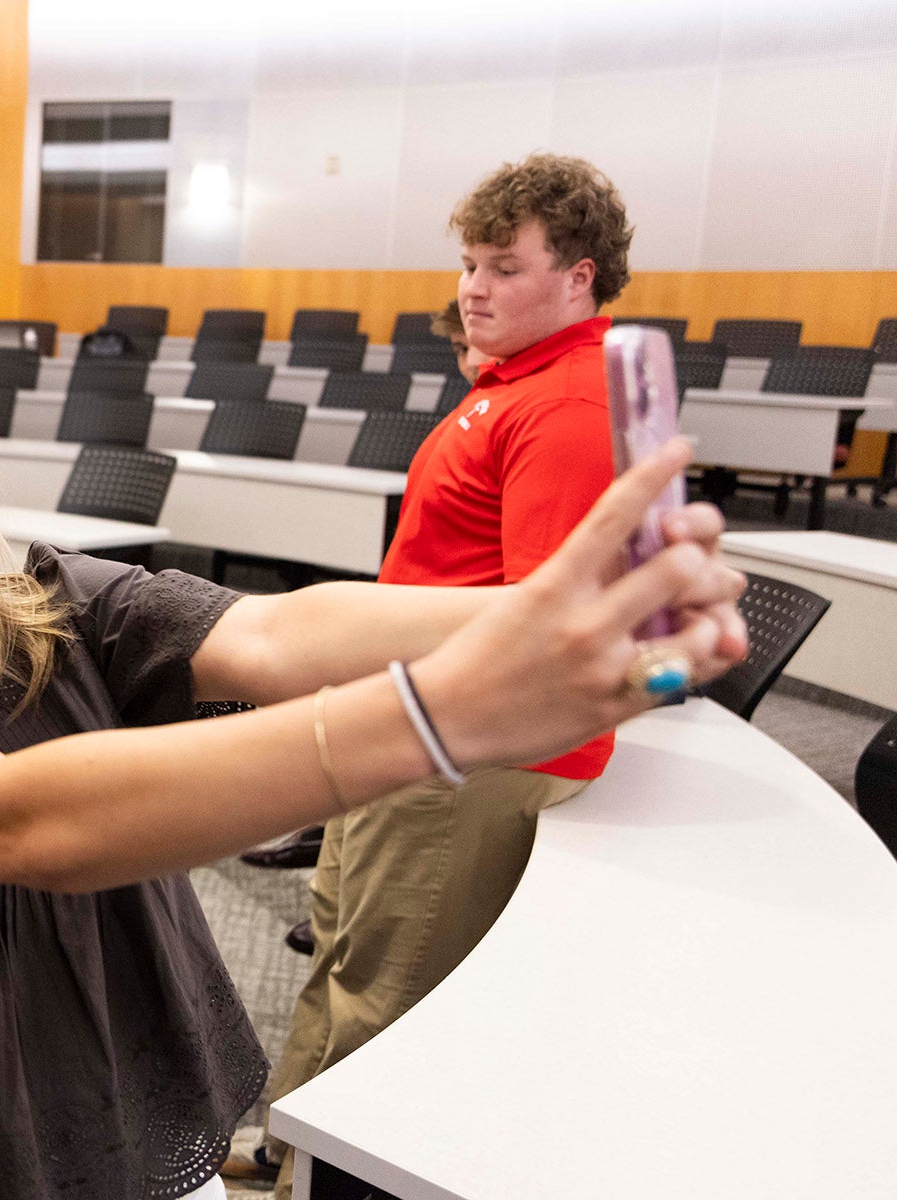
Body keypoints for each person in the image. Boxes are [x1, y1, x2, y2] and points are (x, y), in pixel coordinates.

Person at [0, 259, 746, 1198]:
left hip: (123, 1083)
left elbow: (280, 632)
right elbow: (21, 824)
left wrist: (554, 612)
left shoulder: (44, 599)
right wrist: (438, 713)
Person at [241, 153, 643, 1193]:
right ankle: (291, 1150)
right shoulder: (518, 386)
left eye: (503, 267)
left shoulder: (564, 410)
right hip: (414, 718)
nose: (471, 289)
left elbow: (543, 626)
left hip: (467, 747)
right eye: (468, 264)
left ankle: (323, 1179)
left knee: (388, 986)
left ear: (577, 278)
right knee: (344, 946)